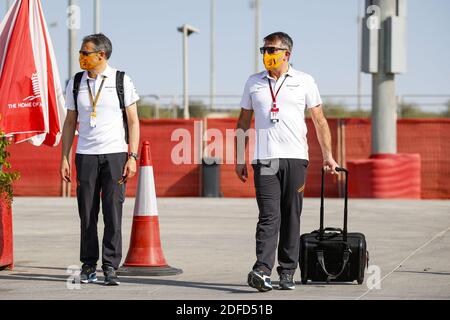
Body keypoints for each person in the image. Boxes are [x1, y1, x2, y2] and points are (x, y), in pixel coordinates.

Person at [235, 32, 339, 291]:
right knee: (269, 216)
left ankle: (287, 271)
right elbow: (243, 123)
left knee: (291, 215)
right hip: (265, 160)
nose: (267, 55)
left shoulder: (304, 81)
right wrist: (239, 157)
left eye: (272, 50)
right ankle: (262, 269)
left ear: (286, 54)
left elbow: (319, 120)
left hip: (295, 159)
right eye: (264, 50)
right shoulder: (253, 82)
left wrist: (328, 156)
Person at [60, 33, 140, 286]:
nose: (81, 57)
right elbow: (70, 121)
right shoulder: (75, 82)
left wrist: (133, 156)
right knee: (87, 213)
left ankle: (110, 266)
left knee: (113, 212)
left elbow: (133, 120)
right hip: (85, 155)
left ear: (101, 55)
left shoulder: (121, 80)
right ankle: (88, 265)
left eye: (86, 53)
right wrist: (64, 157)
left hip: (115, 154)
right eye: (81, 53)